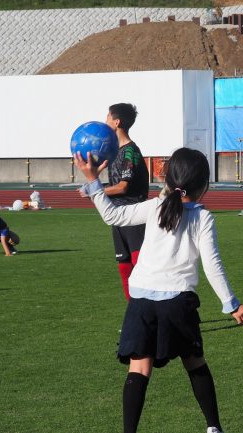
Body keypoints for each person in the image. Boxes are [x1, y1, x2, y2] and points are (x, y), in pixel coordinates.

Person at [74, 147, 243, 433]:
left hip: (141, 299)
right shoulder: (202, 217)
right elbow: (212, 265)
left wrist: (94, 180)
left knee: (139, 368)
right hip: (177, 300)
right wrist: (231, 304)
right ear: (204, 185)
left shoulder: (156, 206)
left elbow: (112, 216)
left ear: (169, 179)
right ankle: (213, 428)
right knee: (194, 363)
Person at [105, 103, 150, 301]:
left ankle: (149, 307)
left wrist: (96, 192)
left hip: (134, 216)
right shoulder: (114, 151)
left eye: (107, 117)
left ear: (117, 122)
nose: (104, 121)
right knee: (124, 267)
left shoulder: (130, 151)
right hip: (118, 216)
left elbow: (123, 187)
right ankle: (134, 311)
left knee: (139, 265)